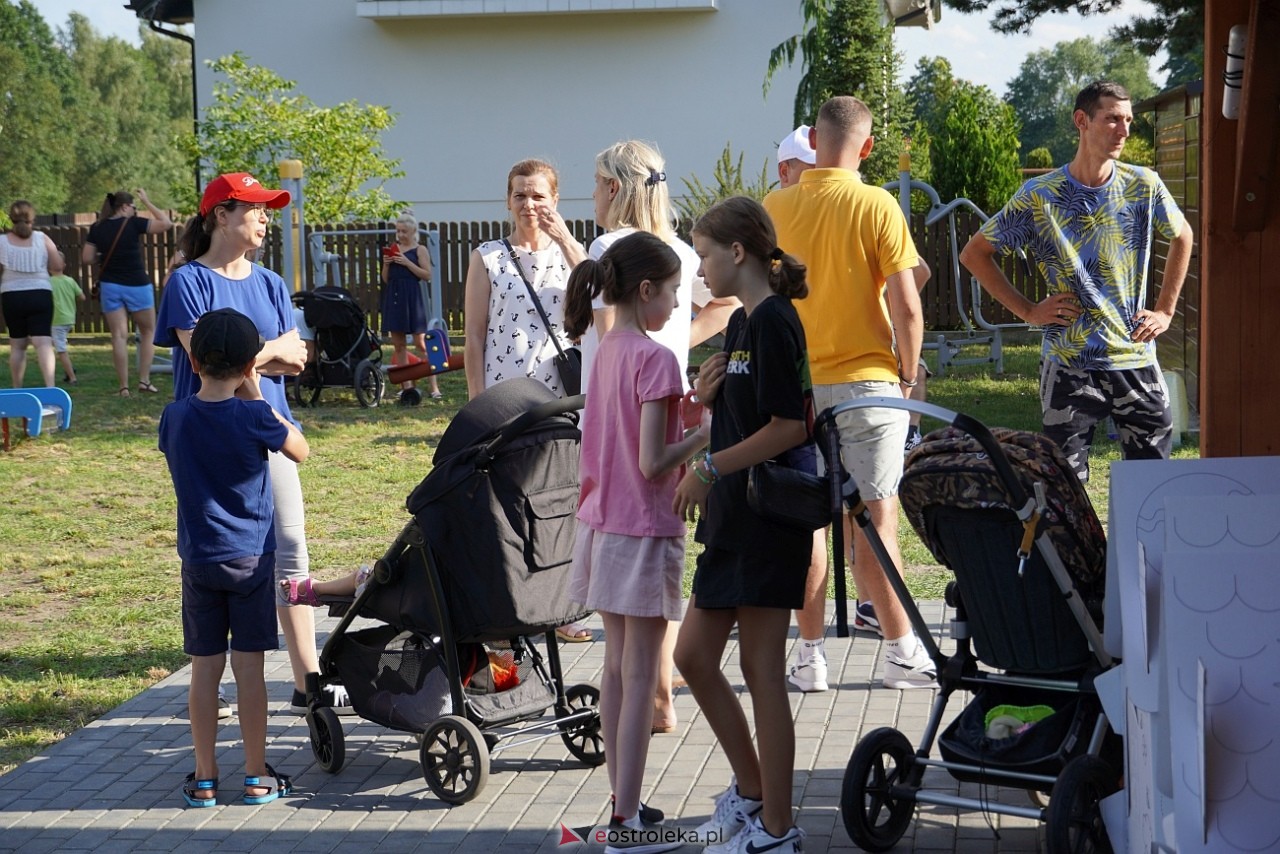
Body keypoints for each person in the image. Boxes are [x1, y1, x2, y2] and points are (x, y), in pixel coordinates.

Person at [155, 172, 351, 717]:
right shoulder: (188, 281)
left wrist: (246, 357)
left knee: (290, 549)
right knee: (215, 554)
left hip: (270, 429)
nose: (265, 218)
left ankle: (307, 679)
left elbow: (297, 359)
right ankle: (209, 681)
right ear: (221, 215)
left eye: (268, 209)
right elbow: (203, 358)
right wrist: (267, 352)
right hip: (210, 439)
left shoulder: (268, 282)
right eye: (255, 208)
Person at [764, 96, 936, 691]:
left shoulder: (775, 206)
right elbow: (907, 305)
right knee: (876, 521)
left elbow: (764, 300)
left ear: (813, 140)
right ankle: (900, 651)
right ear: (867, 147)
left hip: (799, 387)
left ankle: (809, 657)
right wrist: (907, 375)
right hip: (869, 384)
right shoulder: (877, 203)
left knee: (807, 523)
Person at [574, 139, 738, 732]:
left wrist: (662, 347)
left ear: (614, 187)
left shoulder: (610, 250)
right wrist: (676, 343)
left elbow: (605, 334)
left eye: (596, 183)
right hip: (666, 406)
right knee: (659, 550)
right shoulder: (680, 251)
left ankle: (642, 700)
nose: (593, 195)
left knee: (625, 561)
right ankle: (660, 690)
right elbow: (723, 304)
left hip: (615, 414)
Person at [960, 80, 1194, 482]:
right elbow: (974, 253)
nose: (1124, 130)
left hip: (1135, 357)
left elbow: (1182, 235)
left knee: (1153, 488)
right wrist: (1029, 311)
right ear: (1082, 121)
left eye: (1129, 121)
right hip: (1069, 362)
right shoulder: (1040, 195)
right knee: (1064, 487)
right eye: (1113, 119)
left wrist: (1165, 311)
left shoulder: (1144, 185)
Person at [671, 196, 812, 854]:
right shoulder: (738, 325)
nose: (699, 269)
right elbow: (742, 418)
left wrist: (708, 466)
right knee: (692, 658)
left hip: (768, 519)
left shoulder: (777, 321)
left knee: (762, 672)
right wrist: (708, 399)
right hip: (732, 520)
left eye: (703, 255)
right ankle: (752, 792)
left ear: (737, 252)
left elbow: (789, 428)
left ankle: (777, 829)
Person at [565, 231, 710, 852]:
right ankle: (625, 823)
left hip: (601, 525)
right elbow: (653, 462)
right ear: (646, 289)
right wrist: (705, 436)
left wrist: (689, 413)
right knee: (643, 675)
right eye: (674, 291)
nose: (678, 305)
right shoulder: (656, 358)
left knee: (617, 670)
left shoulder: (605, 350)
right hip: (645, 529)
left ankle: (621, 803)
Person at [160, 308, 307, 807]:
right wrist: (257, 395)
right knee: (249, 671)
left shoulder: (174, 416)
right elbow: (300, 450)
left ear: (194, 361)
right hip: (251, 559)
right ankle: (255, 775)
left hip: (199, 560)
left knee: (204, 670)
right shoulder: (255, 415)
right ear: (250, 366)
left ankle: (204, 777)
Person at [463, 158, 588, 401]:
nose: (528, 205)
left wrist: (566, 241)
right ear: (508, 201)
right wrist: (476, 396)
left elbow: (598, 301)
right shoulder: (487, 257)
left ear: (554, 201)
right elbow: (474, 334)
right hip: (502, 393)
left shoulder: (571, 254)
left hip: (560, 393)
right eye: (520, 196)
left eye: (538, 197)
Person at [82, 189, 174, 397]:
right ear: (125, 207)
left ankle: (123, 387)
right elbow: (166, 223)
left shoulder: (97, 227)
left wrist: (101, 258)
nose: (135, 210)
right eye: (134, 207)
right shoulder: (134, 223)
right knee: (148, 331)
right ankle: (144, 380)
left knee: (118, 336)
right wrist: (147, 201)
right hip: (137, 284)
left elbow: (86, 257)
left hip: (110, 286)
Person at [381, 211, 441, 404]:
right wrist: (387, 264)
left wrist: (406, 262)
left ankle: (434, 387)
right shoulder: (393, 248)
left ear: (413, 231)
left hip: (412, 298)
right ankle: (407, 388)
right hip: (395, 297)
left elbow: (427, 275)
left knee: (421, 344)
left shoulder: (419, 249)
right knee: (399, 345)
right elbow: (386, 279)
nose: (400, 235)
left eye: (404, 231)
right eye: (398, 231)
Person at [1, 200, 58, 388]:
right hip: (40, 293)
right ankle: (50, 386)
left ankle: (17, 388)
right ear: (32, 219)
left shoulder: (2, 242)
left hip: (12, 296)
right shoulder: (42, 238)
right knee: (43, 343)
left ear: (11, 219)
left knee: (17, 345)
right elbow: (57, 265)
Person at [49, 251, 86, 386]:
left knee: (61, 350)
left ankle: (72, 377)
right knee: (58, 344)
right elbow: (82, 297)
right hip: (69, 319)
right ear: (64, 265)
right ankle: (68, 369)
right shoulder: (70, 281)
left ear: (48, 267)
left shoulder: (48, 283)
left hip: (57, 320)